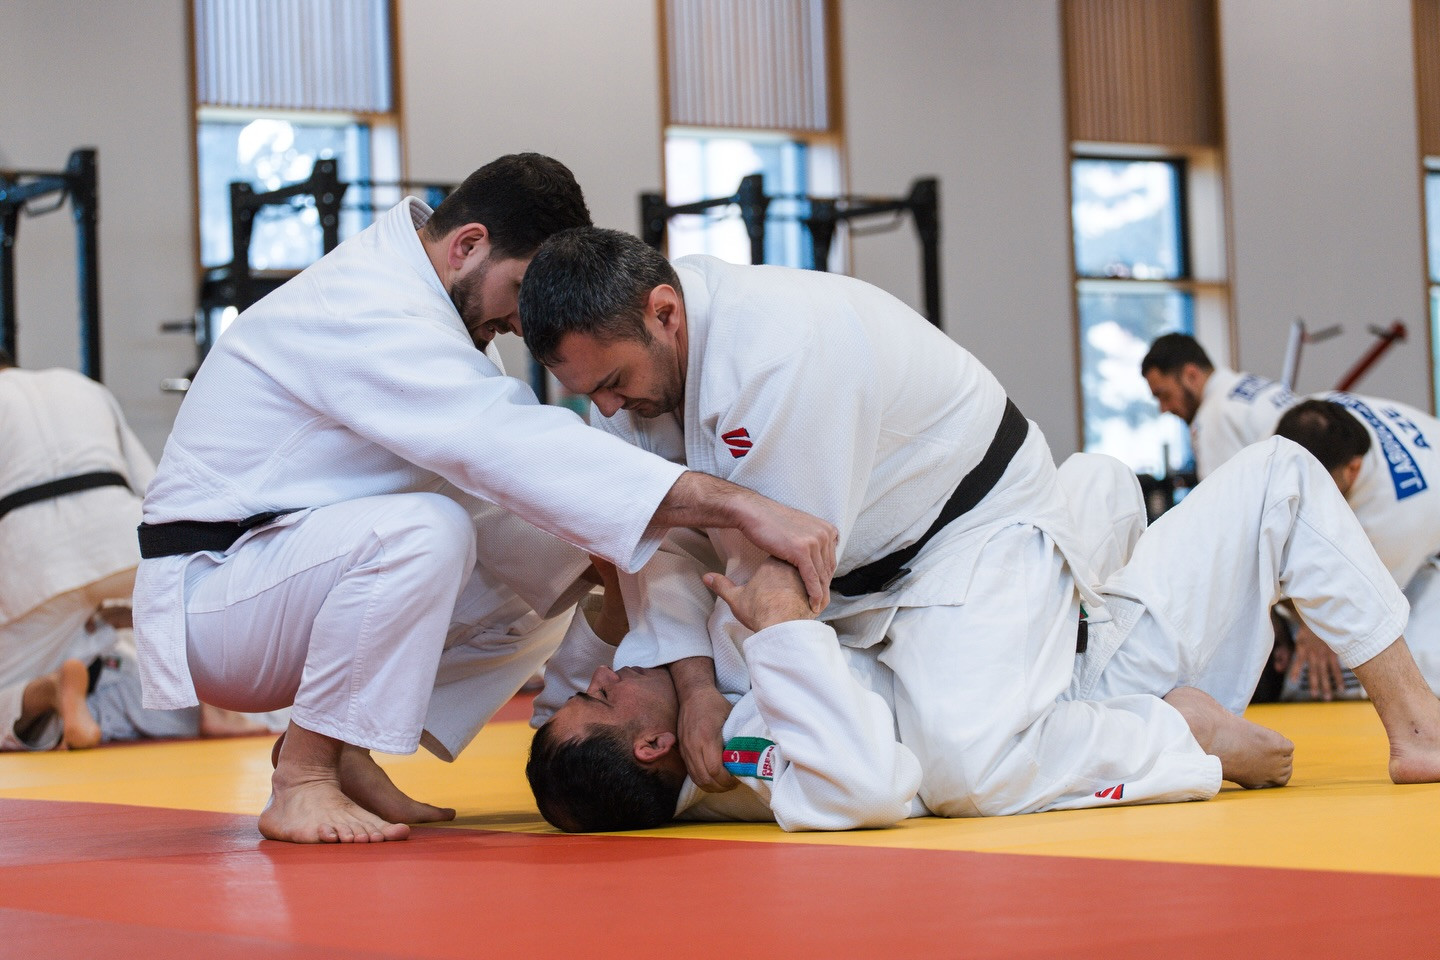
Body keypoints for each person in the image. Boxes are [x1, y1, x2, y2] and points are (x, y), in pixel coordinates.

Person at [133, 155, 837, 845]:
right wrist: (740, 505)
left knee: (569, 553)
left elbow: (536, 488)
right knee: (425, 531)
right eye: (521, 289)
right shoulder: (368, 306)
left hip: (287, 575)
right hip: (219, 594)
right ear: (468, 245)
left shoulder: (445, 313)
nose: (523, 322)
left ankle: (344, 750)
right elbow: (512, 445)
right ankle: (302, 775)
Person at [517, 226, 1215, 815]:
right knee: (916, 742)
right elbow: (660, 545)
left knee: (968, 767)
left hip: (968, 531)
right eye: (587, 394)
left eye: (612, 383)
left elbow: (779, 575)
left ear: (665, 314)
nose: (607, 409)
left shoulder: (778, 350)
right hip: (856, 570)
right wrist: (696, 689)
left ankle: (1178, 730)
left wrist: (715, 684)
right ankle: (1091, 538)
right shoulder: (632, 386)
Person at [528, 439, 1440, 832]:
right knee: (1278, 475)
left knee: (1100, 479)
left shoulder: (677, 701)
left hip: (1028, 637)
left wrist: (687, 673)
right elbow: (884, 779)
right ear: (651, 747)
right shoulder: (744, 755)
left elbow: (648, 570)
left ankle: (1167, 709)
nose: (601, 677)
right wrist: (783, 632)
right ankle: (1402, 726)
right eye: (599, 699)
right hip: (1044, 685)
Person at [0, 349, 154, 750]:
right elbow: (152, 486)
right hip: (126, 540)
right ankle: (211, 700)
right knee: (156, 626)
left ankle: (49, 691)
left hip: (38, 566)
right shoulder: (81, 386)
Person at [1275, 394, 1440, 697]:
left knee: (1399, 661)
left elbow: (1359, 604)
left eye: (1312, 486)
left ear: (1352, 469)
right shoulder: (1302, 426)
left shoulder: (1394, 519)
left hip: (1426, 533)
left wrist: (1313, 629)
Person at [1141, 332, 1298, 479]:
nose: (1163, 409)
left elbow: (1225, 498)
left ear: (1191, 376)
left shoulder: (1212, 417)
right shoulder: (1257, 386)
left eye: (1164, 395)